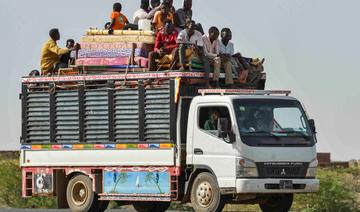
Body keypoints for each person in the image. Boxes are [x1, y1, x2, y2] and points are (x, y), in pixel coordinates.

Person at [177, 20, 211, 87]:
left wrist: (196, 48)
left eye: (194, 27)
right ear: (187, 26)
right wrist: (190, 44)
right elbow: (178, 42)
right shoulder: (182, 32)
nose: (193, 28)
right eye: (191, 27)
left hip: (196, 50)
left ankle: (207, 82)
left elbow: (199, 46)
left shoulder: (198, 34)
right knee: (181, 46)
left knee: (206, 59)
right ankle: (182, 66)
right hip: (186, 50)